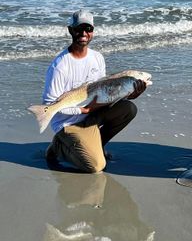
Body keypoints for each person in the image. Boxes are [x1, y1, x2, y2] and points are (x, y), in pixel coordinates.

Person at [43, 9, 147, 173]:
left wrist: (129, 94)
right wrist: (83, 109)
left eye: (88, 29)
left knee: (128, 108)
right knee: (96, 166)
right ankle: (59, 146)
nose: (83, 33)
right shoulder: (60, 66)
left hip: (91, 115)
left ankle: (97, 144)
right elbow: (49, 105)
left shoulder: (97, 58)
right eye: (79, 29)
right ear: (71, 30)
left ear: (92, 32)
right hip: (68, 123)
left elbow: (104, 93)